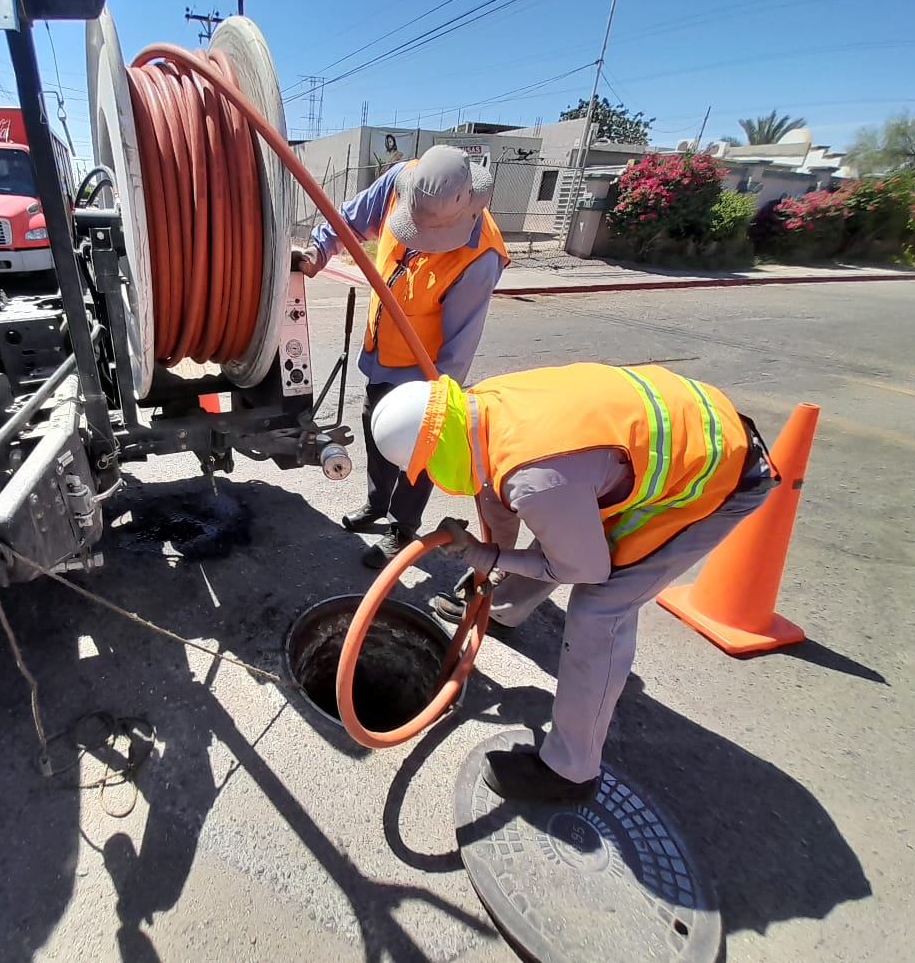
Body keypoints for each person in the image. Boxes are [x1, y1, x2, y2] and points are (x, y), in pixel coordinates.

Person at [366, 363, 779, 802]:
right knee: (564, 530)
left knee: (600, 606)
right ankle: (507, 610)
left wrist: (485, 555)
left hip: (715, 476)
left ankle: (570, 771)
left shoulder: (537, 478)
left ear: (436, 448)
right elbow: (497, 499)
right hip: (683, 426)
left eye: (424, 467)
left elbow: (581, 567)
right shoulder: (482, 410)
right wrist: (486, 569)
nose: (429, 476)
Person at [297, 145, 509, 568]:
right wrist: (318, 251)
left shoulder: (479, 257)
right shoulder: (402, 182)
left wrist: (433, 405)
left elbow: (459, 347)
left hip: (424, 373)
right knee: (376, 435)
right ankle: (377, 505)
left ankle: (401, 527)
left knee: (416, 454)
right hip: (381, 353)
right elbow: (348, 220)